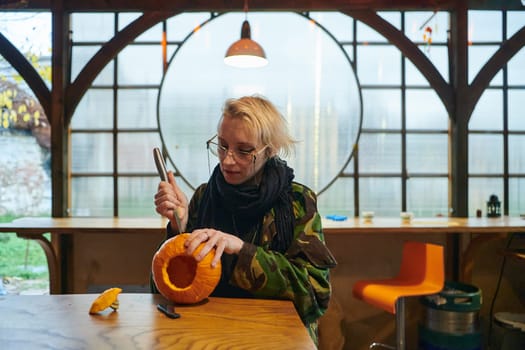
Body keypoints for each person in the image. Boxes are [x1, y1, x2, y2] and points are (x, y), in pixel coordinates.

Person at [153, 95, 337, 345]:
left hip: (277, 336)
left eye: (244, 151)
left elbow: (314, 296)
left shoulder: (296, 202)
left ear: (269, 150)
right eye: (221, 145)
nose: (228, 160)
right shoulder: (204, 197)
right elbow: (164, 291)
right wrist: (179, 229)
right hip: (210, 332)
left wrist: (240, 250)